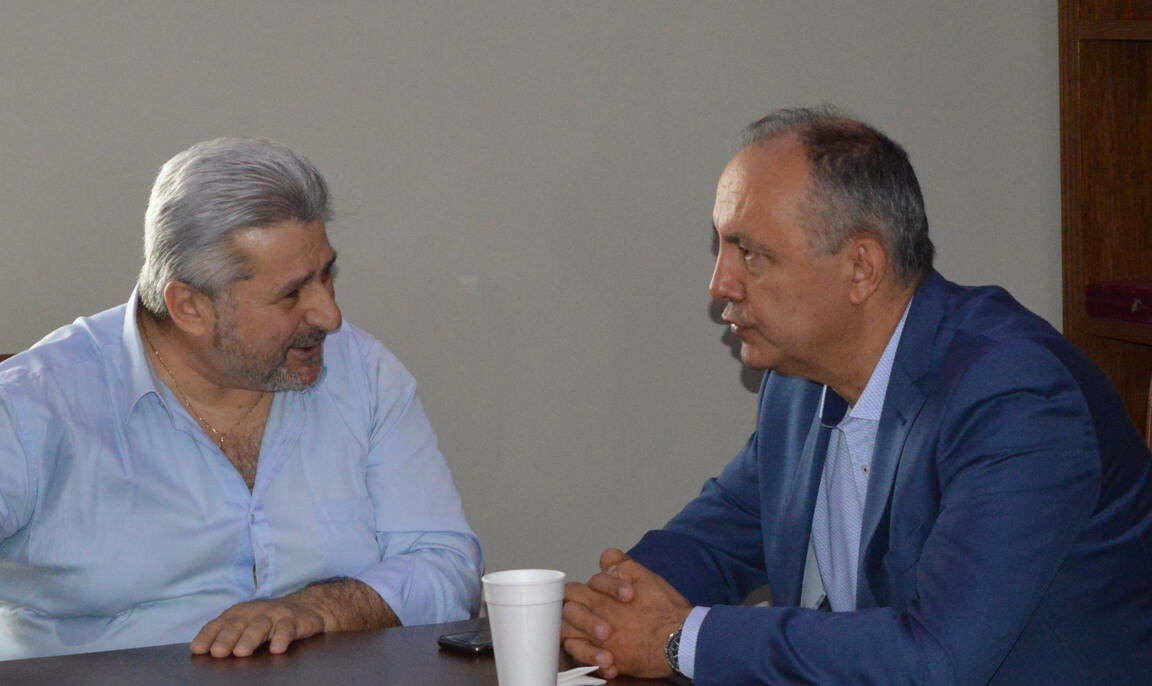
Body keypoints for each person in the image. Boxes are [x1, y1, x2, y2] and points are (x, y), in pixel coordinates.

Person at [562, 106, 1152, 685]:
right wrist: (608, 613)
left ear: (862, 268)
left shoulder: (1013, 397)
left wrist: (678, 641)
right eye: (721, 247)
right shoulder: (796, 385)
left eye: (751, 254)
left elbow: (934, 659)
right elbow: (720, 536)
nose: (720, 285)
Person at [0, 138, 482, 661]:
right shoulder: (32, 406)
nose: (329, 315)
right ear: (189, 307)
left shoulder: (362, 373)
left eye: (326, 275)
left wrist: (320, 609)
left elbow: (446, 564)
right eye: (291, 294)